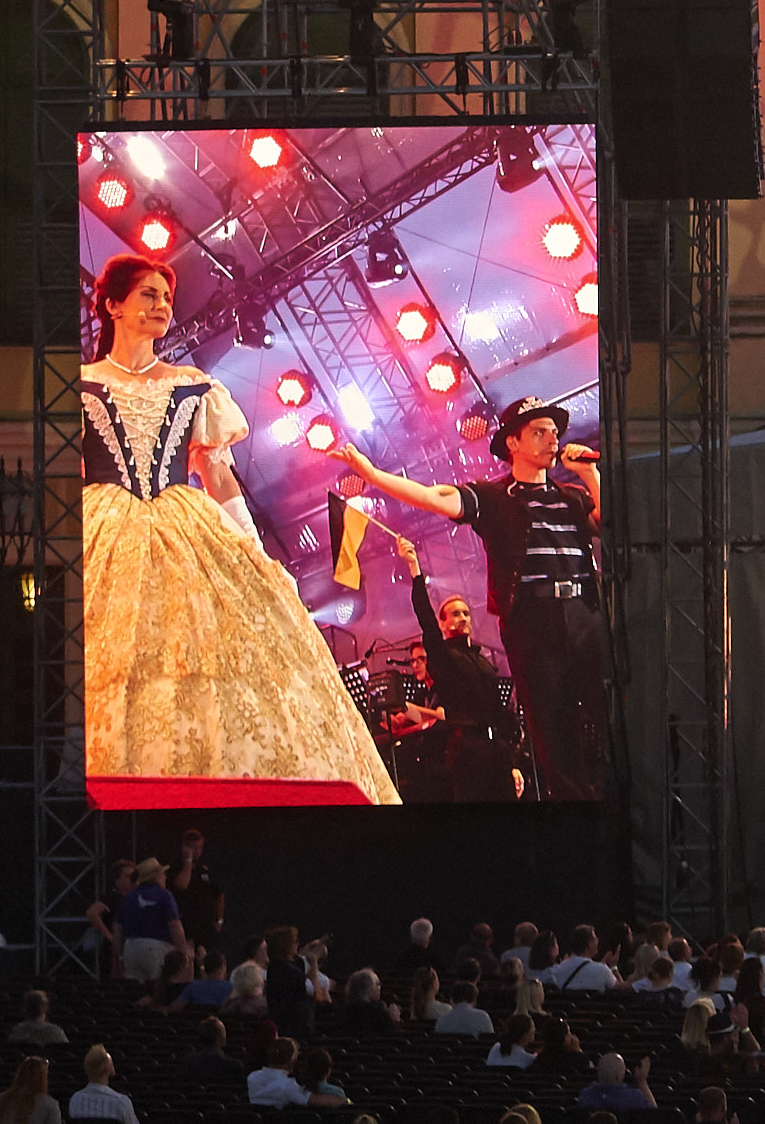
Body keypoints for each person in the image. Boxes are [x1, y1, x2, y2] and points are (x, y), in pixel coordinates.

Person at [77, 256, 404, 803]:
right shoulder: (76, 386)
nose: (162, 307)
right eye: (148, 296)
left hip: (186, 522)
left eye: (165, 298)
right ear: (113, 305)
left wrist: (252, 550)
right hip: (102, 525)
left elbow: (219, 475)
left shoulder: (194, 387)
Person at [333, 394, 609, 802]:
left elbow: (609, 523)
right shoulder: (493, 497)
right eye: (539, 432)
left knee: (610, 716)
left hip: (585, 614)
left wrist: (589, 474)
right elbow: (433, 496)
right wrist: (371, 474)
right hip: (533, 621)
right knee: (554, 731)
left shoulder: (571, 497)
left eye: (554, 432)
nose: (551, 440)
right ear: (512, 443)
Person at [410, 579, 529, 801]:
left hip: (497, 750)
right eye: (455, 614)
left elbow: (499, 714)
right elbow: (426, 620)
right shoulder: (444, 656)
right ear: (442, 623)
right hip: (467, 751)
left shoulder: (483, 662)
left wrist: (512, 763)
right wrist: (415, 572)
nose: (463, 618)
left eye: (465, 613)